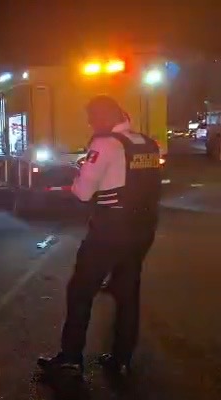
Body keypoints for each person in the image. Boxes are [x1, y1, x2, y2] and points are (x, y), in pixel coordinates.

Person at [38, 96, 162, 378]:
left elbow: (83, 193)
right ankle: (122, 359)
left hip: (110, 229)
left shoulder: (104, 143)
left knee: (80, 291)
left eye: (92, 119)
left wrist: (78, 177)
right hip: (144, 228)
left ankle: (71, 359)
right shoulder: (147, 144)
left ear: (104, 117)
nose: (90, 124)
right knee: (127, 292)